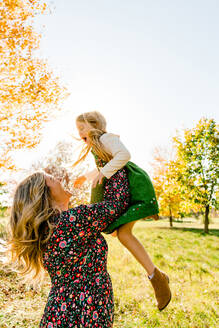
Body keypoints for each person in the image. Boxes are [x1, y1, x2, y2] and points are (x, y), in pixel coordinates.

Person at [74, 111, 171, 311]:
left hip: (122, 195)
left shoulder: (107, 138)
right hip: (115, 193)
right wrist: (85, 177)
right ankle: (157, 278)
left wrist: (103, 172)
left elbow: (124, 156)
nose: (79, 133)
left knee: (96, 223)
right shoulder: (97, 147)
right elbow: (105, 166)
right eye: (78, 130)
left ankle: (82, 278)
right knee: (124, 235)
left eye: (82, 128)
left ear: (94, 126)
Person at [7, 169, 130, 327]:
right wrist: (116, 165)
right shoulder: (72, 220)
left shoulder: (45, 231)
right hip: (87, 309)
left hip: (59, 311)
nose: (59, 178)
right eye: (52, 178)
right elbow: (116, 203)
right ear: (45, 193)